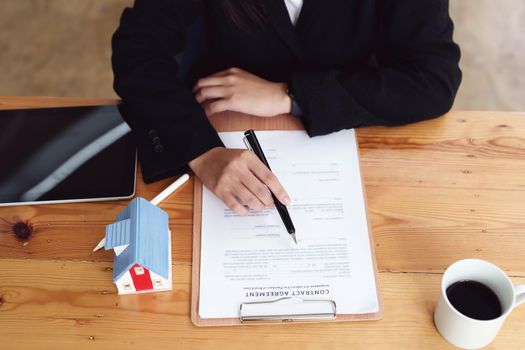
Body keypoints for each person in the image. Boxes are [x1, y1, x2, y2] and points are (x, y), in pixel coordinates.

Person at [112, 0, 462, 215]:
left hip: (357, 129)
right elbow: (138, 51)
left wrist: (290, 95)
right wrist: (202, 152)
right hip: (223, 124)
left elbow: (433, 80)